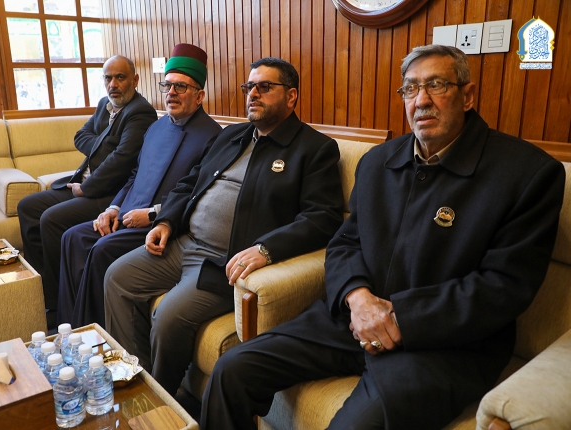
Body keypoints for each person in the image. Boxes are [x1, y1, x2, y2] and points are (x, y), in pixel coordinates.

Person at [201, 45, 566, 430]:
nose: (421, 100)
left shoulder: (527, 174)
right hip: (351, 321)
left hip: (445, 346)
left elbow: (502, 287)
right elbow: (345, 243)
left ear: (468, 95)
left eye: (436, 85)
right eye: (410, 89)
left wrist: (396, 316)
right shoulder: (378, 161)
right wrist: (358, 299)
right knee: (232, 370)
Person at [103, 57, 345, 397]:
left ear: (291, 96)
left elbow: (323, 218)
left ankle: (161, 401)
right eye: (250, 87)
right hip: (183, 243)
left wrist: (266, 249)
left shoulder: (315, 149)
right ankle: (135, 381)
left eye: (264, 87)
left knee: (169, 316)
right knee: (117, 277)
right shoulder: (232, 135)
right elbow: (189, 183)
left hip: (224, 262)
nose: (253, 94)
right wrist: (167, 221)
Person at [57, 43, 222, 329]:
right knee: (72, 238)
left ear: (200, 95)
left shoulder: (213, 137)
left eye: (181, 87)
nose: (171, 93)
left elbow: (200, 194)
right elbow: (134, 175)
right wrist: (113, 207)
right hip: (127, 213)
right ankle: (70, 326)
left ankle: (97, 336)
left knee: (102, 249)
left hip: (160, 223)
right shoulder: (156, 127)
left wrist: (154, 213)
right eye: (167, 86)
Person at [17, 55, 158, 327]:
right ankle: (44, 291)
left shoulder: (141, 112)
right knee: (28, 207)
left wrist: (86, 188)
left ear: (135, 80)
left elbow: (122, 161)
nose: (113, 84)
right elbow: (80, 136)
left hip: (107, 193)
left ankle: (56, 305)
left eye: (120, 77)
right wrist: (107, 145)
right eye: (108, 78)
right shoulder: (105, 104)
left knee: (50, 219)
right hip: (82, 182)